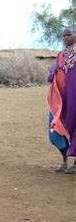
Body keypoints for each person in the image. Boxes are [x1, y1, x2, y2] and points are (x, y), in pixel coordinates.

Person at [47, 25, 76, 174]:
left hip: (74, 97)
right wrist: (51, 76)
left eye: (68, 35)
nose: (65, 38)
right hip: (60, 98)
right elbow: (55, 70)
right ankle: (64, 161)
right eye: (63, 36)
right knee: (56, 127)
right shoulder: (61, 55)